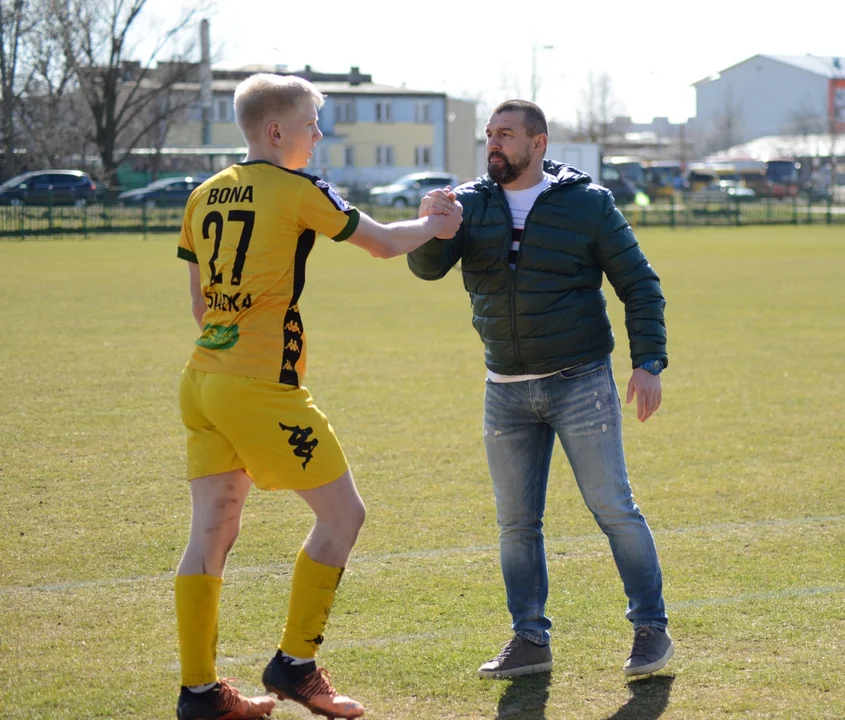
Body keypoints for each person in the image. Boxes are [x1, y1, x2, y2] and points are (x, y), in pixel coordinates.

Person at [173, 73, 461, 720]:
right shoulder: (297, 189)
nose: (318, 134)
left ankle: (200, 693)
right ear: (277, 131)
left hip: (202, 382)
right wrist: (435, 224)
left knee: (210, 535)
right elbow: (385, 243)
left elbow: (199, 306)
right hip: (259, 387)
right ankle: (295, 666)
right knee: (343, 517)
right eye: (311, 123)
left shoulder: (204, 194)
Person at [408, 99, 672, 679]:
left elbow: (639, 284)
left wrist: (648, 362)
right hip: (504, 389)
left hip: (580, 382)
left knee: (613, 509)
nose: (493, 144)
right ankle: (529, 640)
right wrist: (432, 225)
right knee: (517, 525)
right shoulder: (469, 205)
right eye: (489, 135)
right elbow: (427, 269)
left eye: (505, 134)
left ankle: (651, 629)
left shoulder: (589, 204)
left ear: (539, 143)